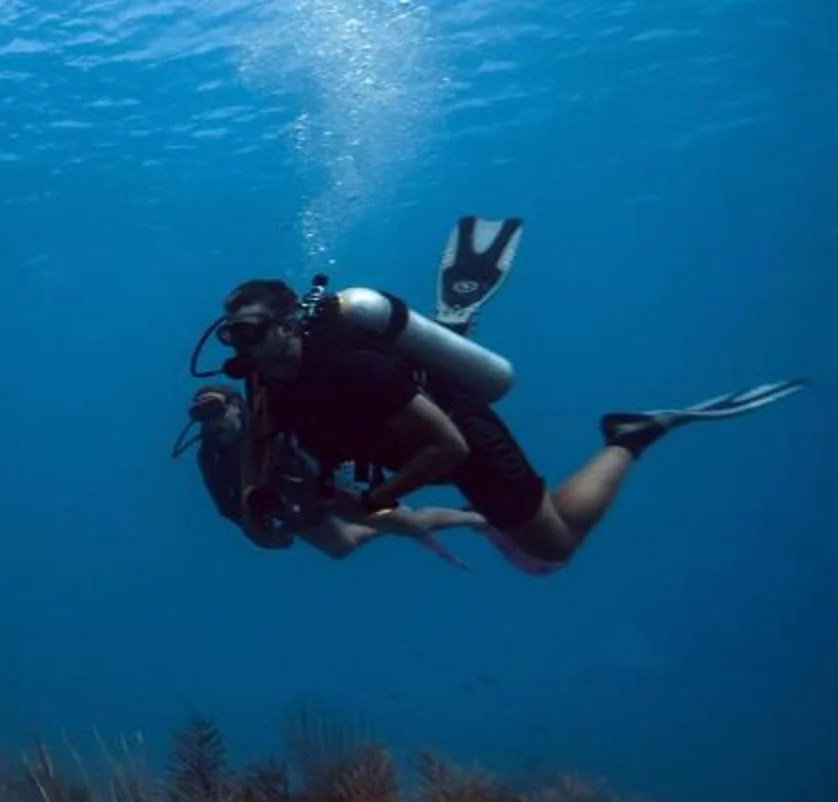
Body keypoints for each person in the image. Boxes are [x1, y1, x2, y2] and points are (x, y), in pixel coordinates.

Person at [198, 215, 805, 573]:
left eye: (251, 332)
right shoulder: (262, 374)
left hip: (462, 438)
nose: (241, 347)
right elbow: (260, 435)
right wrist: (253, 491)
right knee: (520, 537)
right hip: (402, 447)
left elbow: (449, 446)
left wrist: (380, 497)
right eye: (232, 335)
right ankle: (452, 329)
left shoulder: (350, 367)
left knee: (554, 547)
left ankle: (630, 437)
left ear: (286, 326)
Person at [176, 382, 487, 563]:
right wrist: (260, 527)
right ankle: (392, 522)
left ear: (236, 406)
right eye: (201, 415)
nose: (212, 422)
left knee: (413, 525)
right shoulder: (211, 455)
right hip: (291, 502)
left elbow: (313, 444)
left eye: (216, 410)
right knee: (341, 548)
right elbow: (225, 502)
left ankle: (478, 517)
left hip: (329, 486)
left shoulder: (268, 424)